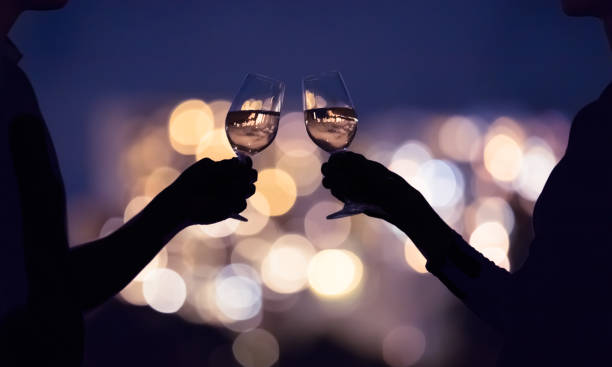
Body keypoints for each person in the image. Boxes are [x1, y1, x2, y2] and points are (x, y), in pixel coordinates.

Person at [322, 1, 612, 366]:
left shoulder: (603, 132)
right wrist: (404, 208)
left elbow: (532, 317)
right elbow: (537, 311)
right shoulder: (599, 122)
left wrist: (407, 210)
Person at [0, 1, 257, 365]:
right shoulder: (7, 91)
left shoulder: (12, 81)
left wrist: (177, 207)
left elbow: (44, 283)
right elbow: (45, 292)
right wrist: (176, 208)